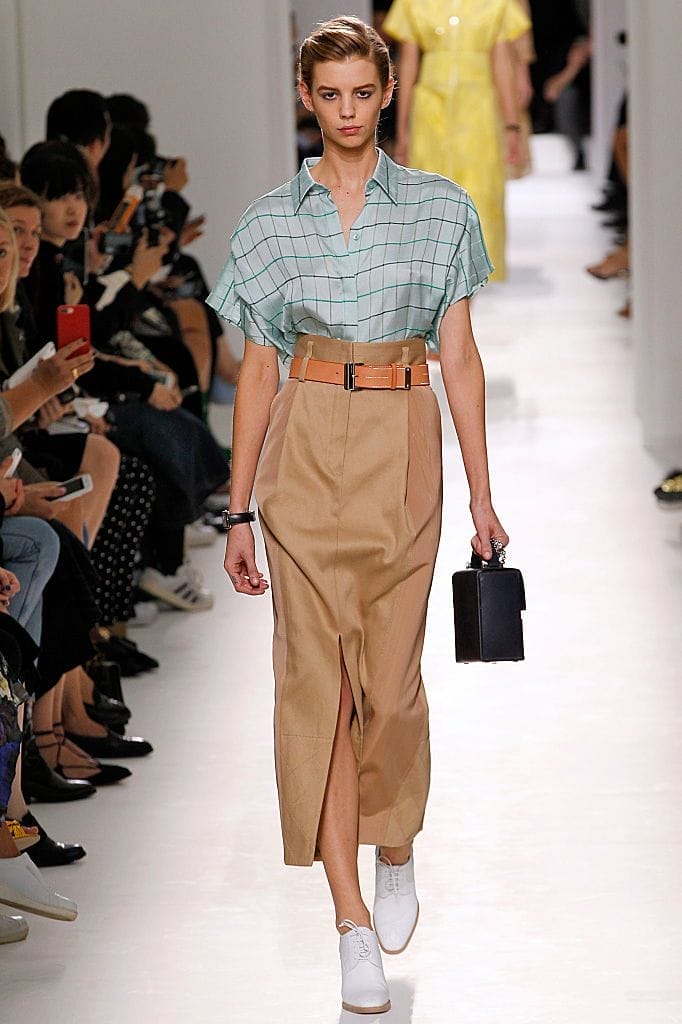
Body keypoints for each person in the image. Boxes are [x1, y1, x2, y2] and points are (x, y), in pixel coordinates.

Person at [208, 16, 509, 1015]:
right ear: (307, 97)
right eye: (328, 94)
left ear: (386, 93)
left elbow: (459, 359)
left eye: (362, 93)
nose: (346, 111)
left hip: (402, 441)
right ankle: (349, 924)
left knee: (394, 690)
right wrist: (238, 511)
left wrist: (482, 494)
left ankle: (396, 843)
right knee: (316, 691)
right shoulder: (268, 222)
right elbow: (257, 371)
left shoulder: (440, 209)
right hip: (303, 448)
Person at [384, 0, 531, 281]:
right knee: (429, 200)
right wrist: (402, 130)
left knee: (479, 197)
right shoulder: (413, 3)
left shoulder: (495, 4)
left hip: (479, 113)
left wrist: (512, 126)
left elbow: (501, 64)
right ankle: (436, 287)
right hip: (430, 112)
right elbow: (408, 65)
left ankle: (467, 292)